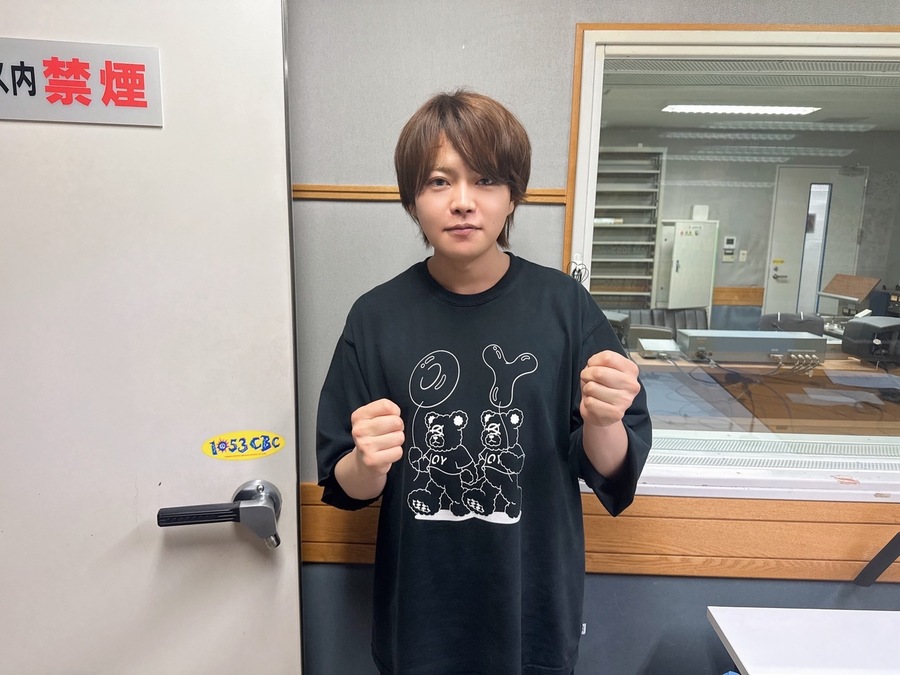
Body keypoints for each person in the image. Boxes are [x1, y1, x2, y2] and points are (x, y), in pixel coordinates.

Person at [316, 89, 652, 675]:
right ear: (412, 198)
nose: (463, 202)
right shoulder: (375, 317)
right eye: (439, 181)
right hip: (419, 618)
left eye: (486, 180)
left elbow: (611, 472)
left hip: (532, 612)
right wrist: (367, 462)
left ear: (512, 194)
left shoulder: (566, 307)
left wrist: (604, 420)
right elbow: (345, 486)